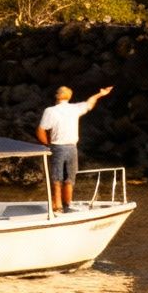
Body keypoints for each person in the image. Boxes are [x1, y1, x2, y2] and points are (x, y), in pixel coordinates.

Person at [36, 84, 112, 214]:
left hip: (57, 147)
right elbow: (90, 103)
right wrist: (100, 94)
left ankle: (58, 206)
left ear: (57, 96)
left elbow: (40, 130)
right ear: (69, 96)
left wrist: (47, 144)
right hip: (72, 148)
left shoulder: (50, 110)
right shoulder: (75, 108)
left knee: (56, 178)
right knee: (70, 179)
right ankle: (67, 204)